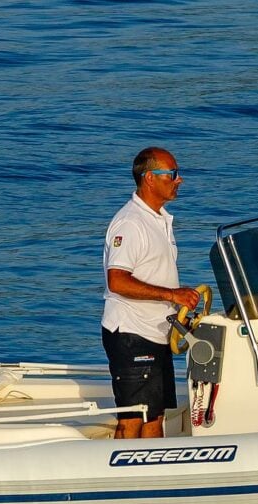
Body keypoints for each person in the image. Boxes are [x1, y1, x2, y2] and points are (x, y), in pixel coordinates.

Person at [101, 147, 200, 439]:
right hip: (131, 334)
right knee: (133, 420)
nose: (178, 180)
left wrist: (180, 303)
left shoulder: (158, 219)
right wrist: (173, 295)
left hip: (156, 334)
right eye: (172, 174)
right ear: (150, 179)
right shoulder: (131, 223)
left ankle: (152, 480)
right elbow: (117, 281)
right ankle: (116, 479)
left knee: (155, 418)